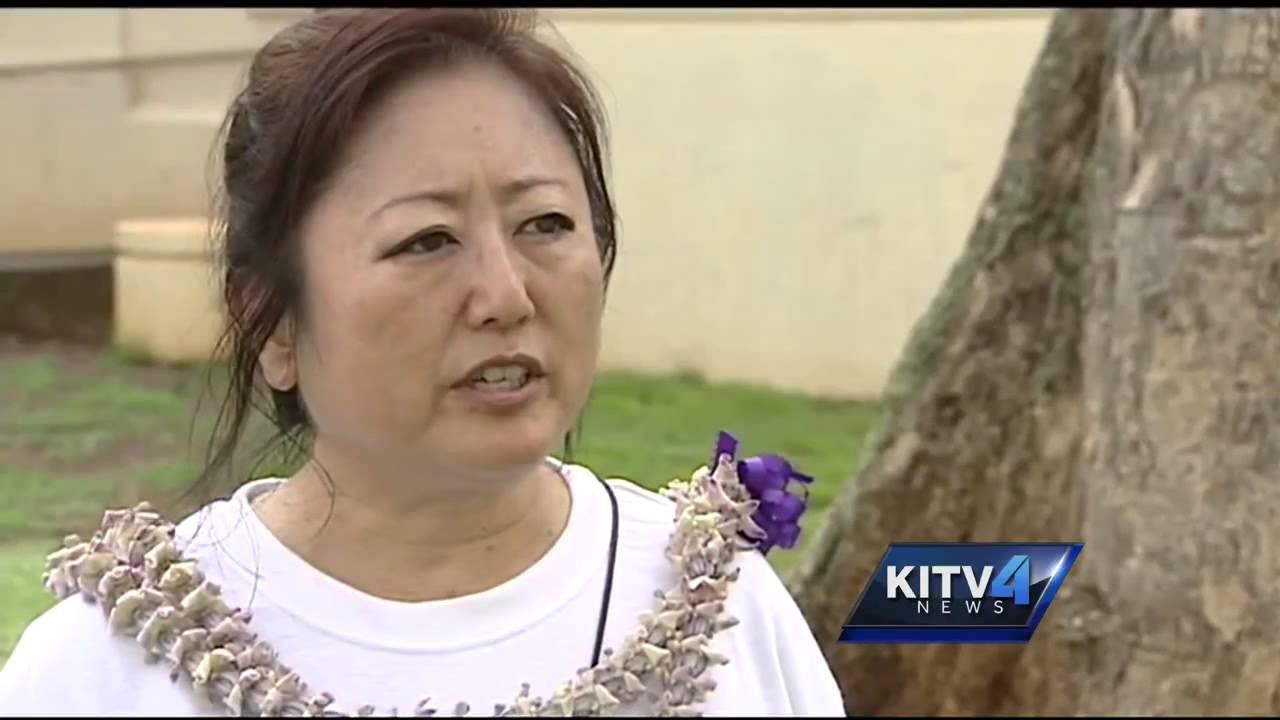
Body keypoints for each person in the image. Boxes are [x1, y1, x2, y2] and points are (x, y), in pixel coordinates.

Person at [0, 8, 845, 717]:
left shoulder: (716, 609)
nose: (505, 294)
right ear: (270, 320)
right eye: (427, 240)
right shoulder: (107, 667)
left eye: (545, 223)